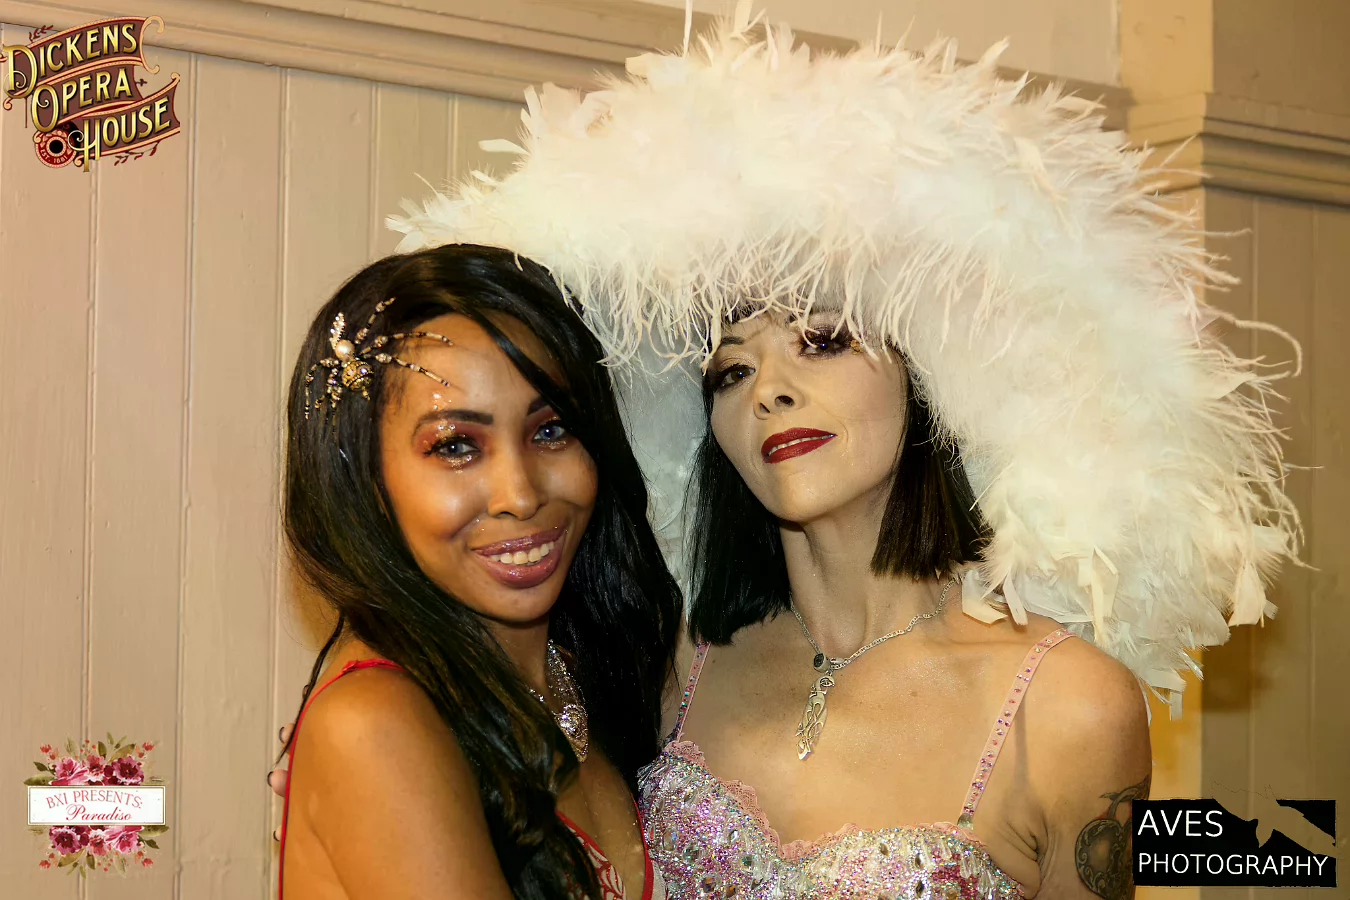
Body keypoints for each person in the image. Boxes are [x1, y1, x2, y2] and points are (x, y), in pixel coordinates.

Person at [385, 7, 1301, 899]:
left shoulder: (1070, 704)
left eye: (822, 341)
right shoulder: (670, 662)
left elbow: (1267, 856)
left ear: (928, 374)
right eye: (731, 371)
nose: (770, 391)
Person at [271, 244, 679, 899]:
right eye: (456, 446)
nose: (520, 494)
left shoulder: (585, 671)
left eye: (551, 431)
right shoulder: (375, 723)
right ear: (365, 479)